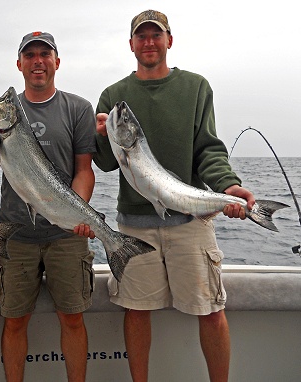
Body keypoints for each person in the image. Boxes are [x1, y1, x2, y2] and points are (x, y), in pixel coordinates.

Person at [93, 10, 255, 382]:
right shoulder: (114, 96)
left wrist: (228, 187)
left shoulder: (196, 87)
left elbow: (209, 150)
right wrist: (101, 136)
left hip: (190, 219)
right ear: (131, 44)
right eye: (141, 36)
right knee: (136, 311)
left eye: (156, 35)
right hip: (133, 227)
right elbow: (103, 163)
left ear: (169, 40)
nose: (149, 42)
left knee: (211, 311)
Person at [0, 32, 97, 382]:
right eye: (30, 56)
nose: (38, 61)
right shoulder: (5, 113)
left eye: (45, 54)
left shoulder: (78, 108)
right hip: (16, 234)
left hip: (67, 235)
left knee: (72, 318)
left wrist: (80, 214)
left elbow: (84, 170)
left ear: (57, 62)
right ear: (19, 64)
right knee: (14, 321)